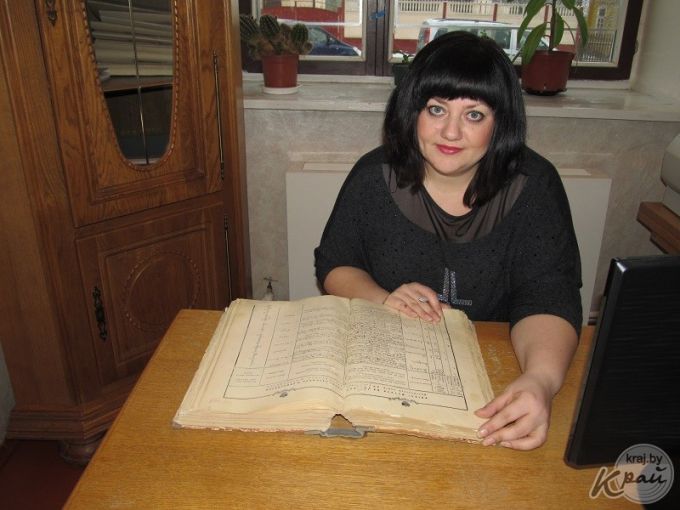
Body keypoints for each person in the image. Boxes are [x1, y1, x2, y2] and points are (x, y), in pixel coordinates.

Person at [314, 31, 582, 450]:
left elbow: (549, 297)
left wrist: (541, 380)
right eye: (436, 109)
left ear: (501, 123)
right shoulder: (372, 177)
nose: (451, 132)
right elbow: (335, 262)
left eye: (474, 115)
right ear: (411, 111)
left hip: (499, 374)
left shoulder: (536, 187)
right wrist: (382, 298)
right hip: (390, 374)